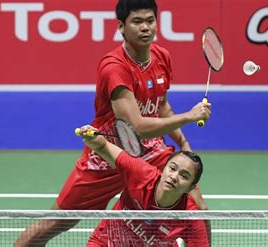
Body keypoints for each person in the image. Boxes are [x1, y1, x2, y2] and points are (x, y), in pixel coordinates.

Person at [15, 0, 211, 246]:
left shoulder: (162, 56)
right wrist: (190, 116)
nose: (145, 28)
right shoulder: (114, 67)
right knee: (56, 222)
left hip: (151, 151)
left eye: (150, 21)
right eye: (137, 22)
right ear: (122, 26)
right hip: (107, 153)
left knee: (200, 210)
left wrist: (183, 142)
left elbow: (161, 105)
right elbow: (137, 126)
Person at [77, 125, 209, 246]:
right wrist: (94, 139)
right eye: (172, 169)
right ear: (163, 168)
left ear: (190, 188)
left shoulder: (189, 216)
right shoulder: (141, 174)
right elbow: (102, 146)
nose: (174, 177)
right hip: (106, 242)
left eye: (184, 176)